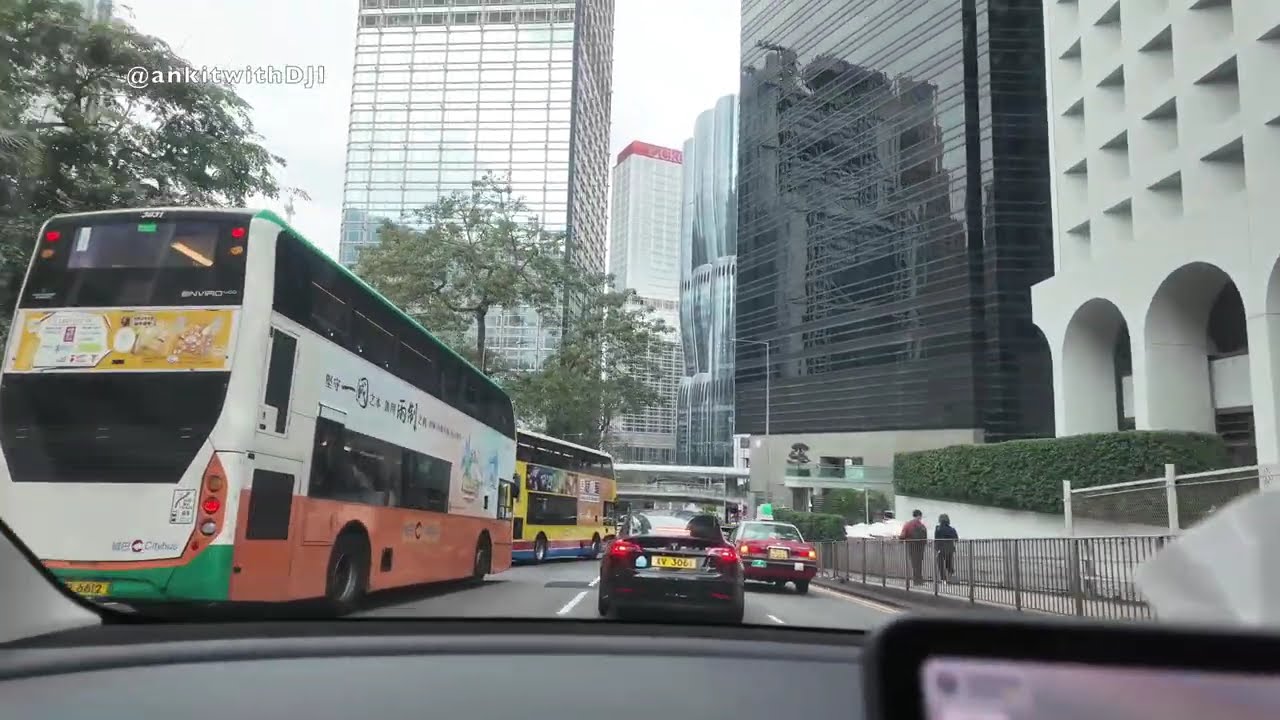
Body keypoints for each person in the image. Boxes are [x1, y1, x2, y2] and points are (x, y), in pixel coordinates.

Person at [899, 509, 929, 584]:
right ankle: (919, 580)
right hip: (920, 546)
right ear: (919, 516)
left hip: (912, 545)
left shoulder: (908, 524)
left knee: (914, 563)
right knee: (919, 563)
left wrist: (900, 540)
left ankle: (916, 580)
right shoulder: (922, 525)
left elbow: (903, 535)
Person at [934, 513, 959, 582]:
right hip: (950, 549)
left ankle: (943, 579)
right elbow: (956, 539)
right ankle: (951, 577)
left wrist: (937, 548)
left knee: (941, 564)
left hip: (941, 549)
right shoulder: (952, 529)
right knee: (949, 564)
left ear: (940, 520)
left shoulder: (938, 528)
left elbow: (936, 539)